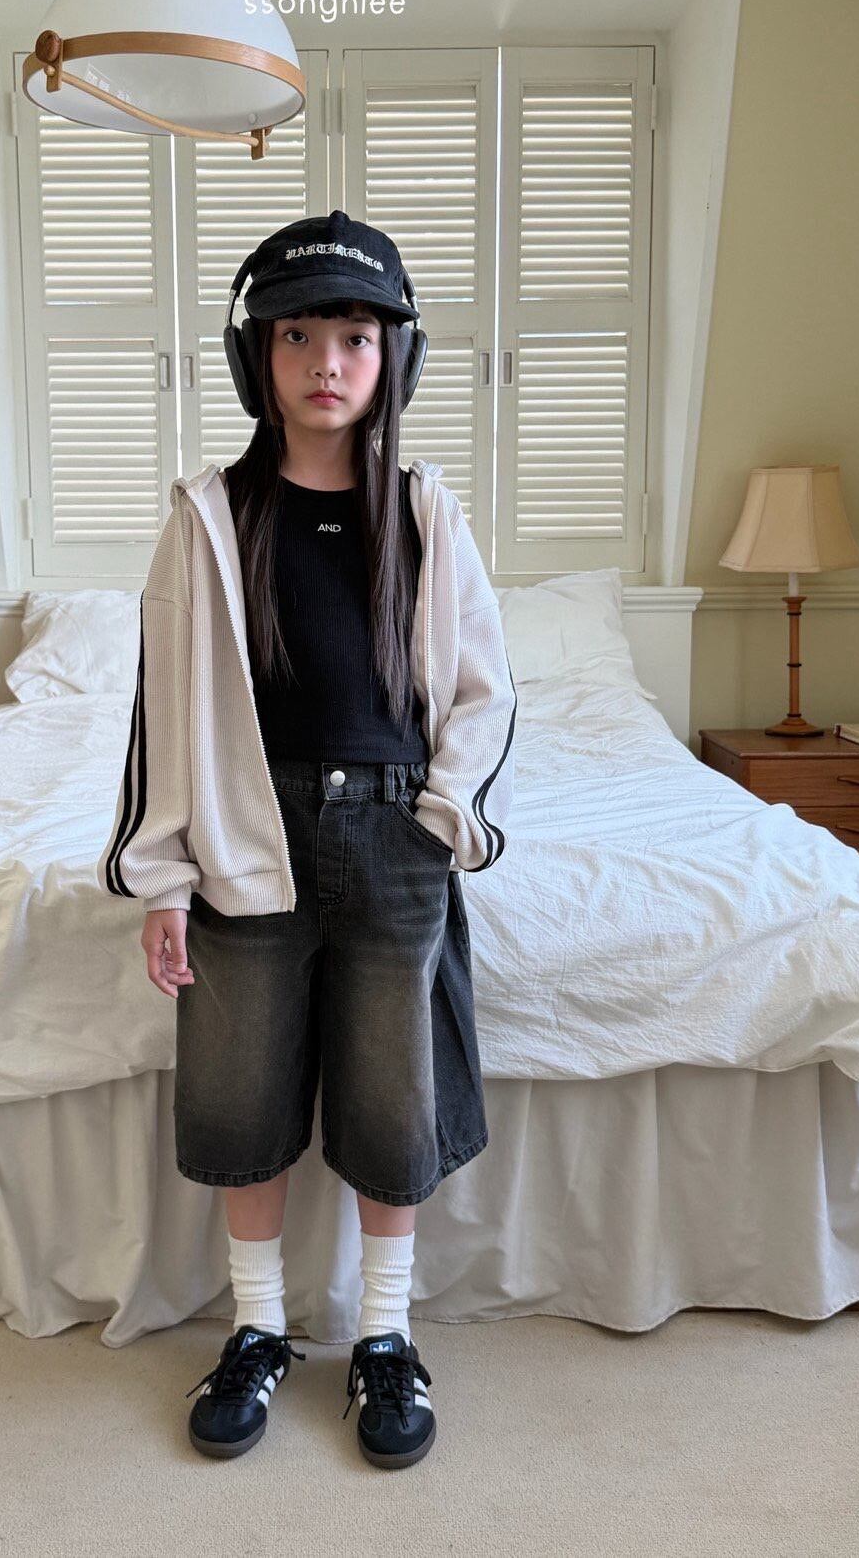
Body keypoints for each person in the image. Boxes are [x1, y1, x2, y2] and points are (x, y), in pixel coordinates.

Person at [101, 210, 517, 1470]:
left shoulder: (426, 513)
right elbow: (165, 708)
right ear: (257, 357)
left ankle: (385, 1336)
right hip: (246, 832)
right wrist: (161, 877)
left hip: (393, 834)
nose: (325, 363)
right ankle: (259, 1328)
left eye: (353, 337)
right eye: (296, 336)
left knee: (392, 1097)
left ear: (394, 357)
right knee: (240, 1090)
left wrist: (441, 820)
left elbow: (481, 689)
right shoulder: (210, 515)